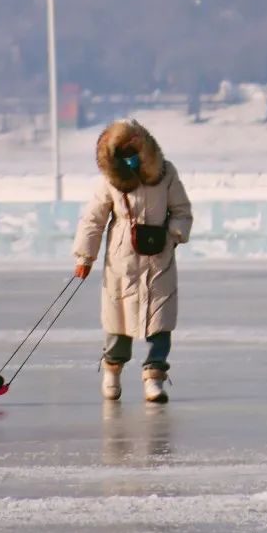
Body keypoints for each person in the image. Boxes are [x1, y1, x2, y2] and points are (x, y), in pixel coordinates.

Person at [73, 117, 193, 404]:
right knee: (119, 321)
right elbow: (94, 219)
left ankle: (154, 378)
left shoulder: (166, 174)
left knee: (159, 321)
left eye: (134, 150)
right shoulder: (109, 182)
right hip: (122, 260)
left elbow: (181, 210)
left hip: (158, 259)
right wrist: (85, 256)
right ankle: (112, 371)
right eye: (123, 152)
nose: (130, 158)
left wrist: (172, 237)